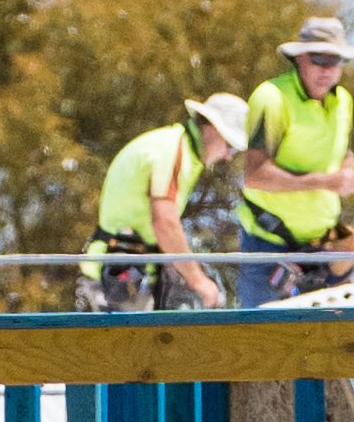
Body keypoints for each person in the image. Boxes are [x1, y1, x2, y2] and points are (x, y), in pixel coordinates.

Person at [232, 12, 354, 298]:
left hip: (325, 248)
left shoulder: (343, 103)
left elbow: (336, 161)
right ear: (300, 58)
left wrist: (353, 178)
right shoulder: (272, 98)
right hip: (270, 248)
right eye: (318, 58)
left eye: (335, 60)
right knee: (261, 340)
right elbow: (255, 176)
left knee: (346, 337)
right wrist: (328, 182)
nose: (326, 69)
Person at [83, 92, 254, 309]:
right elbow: (165, 223)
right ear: (212, 128)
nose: (228, 156)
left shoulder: (177, 147)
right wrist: (199, 281)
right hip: (118, 276)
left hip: (124, 271)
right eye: (230, 146)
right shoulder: (172, 151)